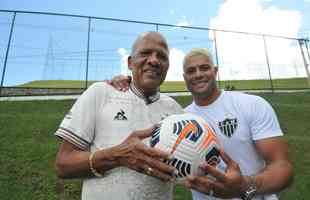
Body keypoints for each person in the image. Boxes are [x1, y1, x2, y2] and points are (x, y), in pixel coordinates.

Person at [109, 48, 293, 200]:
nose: (198, 74)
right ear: (184, 77)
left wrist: (244, 186)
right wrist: (119, 85)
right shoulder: (178, 118)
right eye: (191, 71)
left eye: (204, 68)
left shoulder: (252, 105)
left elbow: (282, 167)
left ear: (215, 71)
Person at [54, 31, 184, 200]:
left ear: (167, 66)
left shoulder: (177, 112)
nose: (154, 60)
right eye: (145, 53)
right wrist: (117, 156)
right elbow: (63, 164)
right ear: (130, 62)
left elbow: (188, 167)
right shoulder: (101, 92)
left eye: (162, 56)